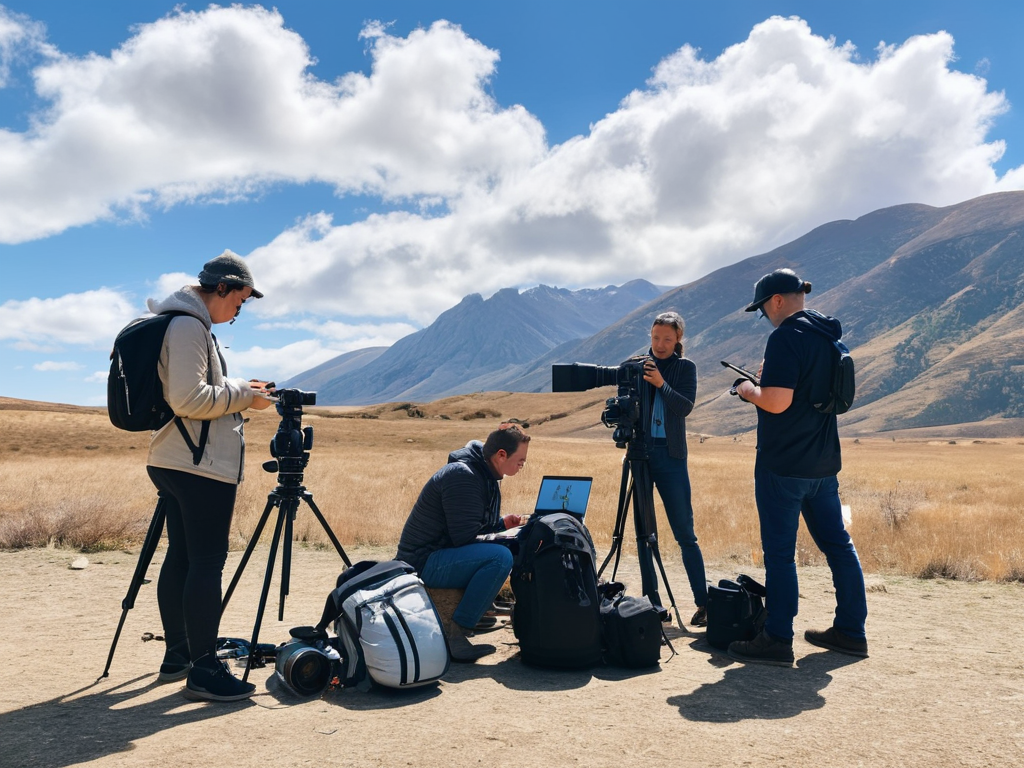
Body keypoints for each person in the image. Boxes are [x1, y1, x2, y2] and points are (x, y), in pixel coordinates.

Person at [146, 250, 274, 701]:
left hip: (178, 460)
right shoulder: (187, 326)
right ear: (221, 288)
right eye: (238, 303)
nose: (237, 313)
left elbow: (194, 392)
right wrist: (244, 396)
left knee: (183, 557)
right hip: (199, 466)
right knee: (205, 562)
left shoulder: (186, 323)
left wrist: (242, 390)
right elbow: (188, 398)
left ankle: (179, 654)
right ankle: (204, 669)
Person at [727, 268, 868, 667]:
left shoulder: (786, 337)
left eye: (763, 310)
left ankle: (777, 637)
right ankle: (851, 632)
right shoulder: (829, 337)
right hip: (823, 464)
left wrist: (747, 389)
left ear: (776, 301)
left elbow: (776, 402)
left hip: (783, 465)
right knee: (839, 546)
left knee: (780, 554)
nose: (764, 318)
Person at [396, 423, 530, 662]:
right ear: (501, 455)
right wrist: (504, 539)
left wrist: (502, 525)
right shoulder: (463, 477)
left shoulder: (481, 472)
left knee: (503, 550)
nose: (522, 465)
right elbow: (464, 538)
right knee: (500, 557)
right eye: (520, 460)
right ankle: (456, 635)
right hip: (423, 561)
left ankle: (478, 614)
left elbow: (468, 527)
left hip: (437, 554)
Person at [639, 311, 708, 626]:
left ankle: (703, 604)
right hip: (640, 455)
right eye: (655, 337)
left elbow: (684, 407)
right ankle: (653, 605)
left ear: (678, 339)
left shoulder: (684, 368)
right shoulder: (637, 366)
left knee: (685, 533)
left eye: (667, 338)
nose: (660, 344)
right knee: (644, 534)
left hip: (671, 455)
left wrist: (661, 384)